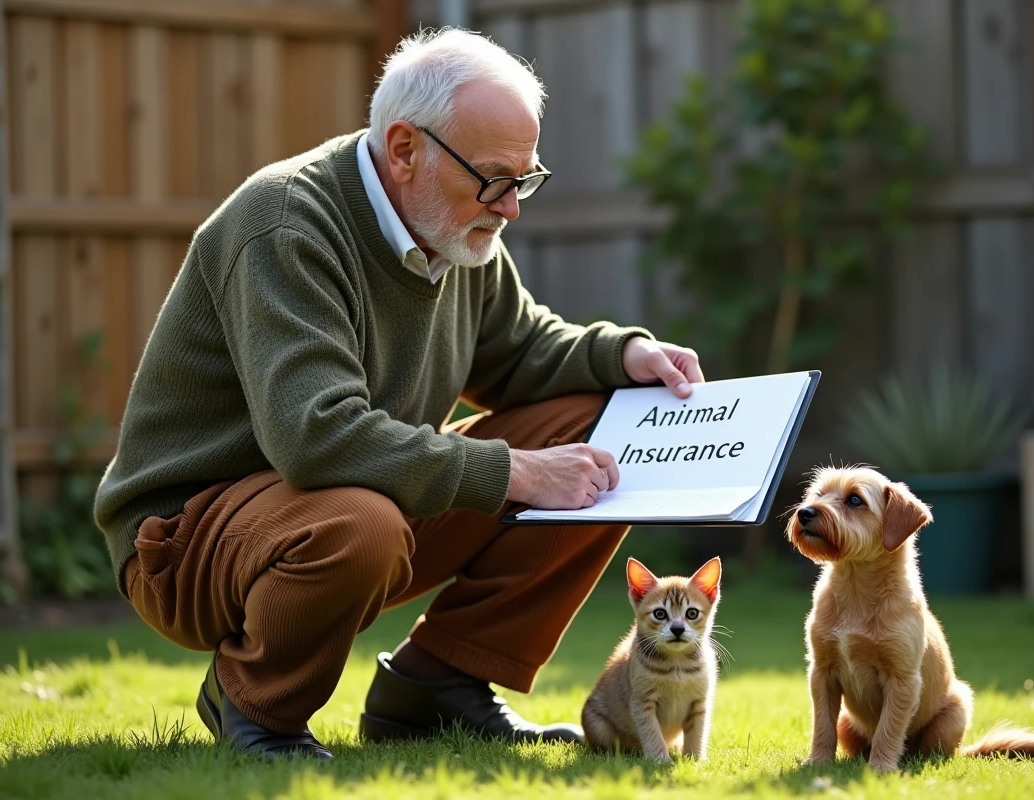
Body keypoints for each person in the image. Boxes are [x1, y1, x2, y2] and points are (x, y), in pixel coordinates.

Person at [93, 28, 704, 761]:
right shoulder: (285, 223)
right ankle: (255, 701)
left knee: (600, 433)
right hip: (189, 541)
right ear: (406, 148)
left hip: (344, 503)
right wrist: (513, 470)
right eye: (493, 179)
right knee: (364, 524)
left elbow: (522, 353)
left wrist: (623, 353)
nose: (511, 208)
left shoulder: (459, 226)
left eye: (524, 179)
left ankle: (439, 683)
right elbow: (316, 435)